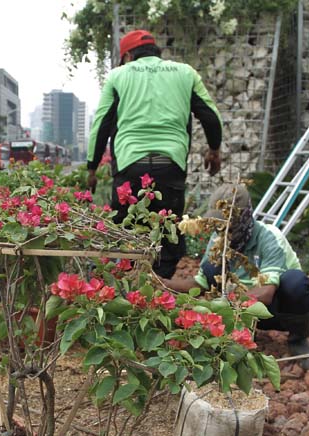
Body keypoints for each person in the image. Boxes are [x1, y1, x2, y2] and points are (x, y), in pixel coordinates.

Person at [85, 29, 223, 279]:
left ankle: (127, 290)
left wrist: (92, 168)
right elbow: (211, 118)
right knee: (168, 236)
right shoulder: (185, 73)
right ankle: (159, 287)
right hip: (169, 167)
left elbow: (101, 126)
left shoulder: (118, 76)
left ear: (127, 56)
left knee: (125, 233)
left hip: (130, 167)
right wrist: (214, 150)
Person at [160, 183, 309, 371]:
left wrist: (224, 305)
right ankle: (241, 335)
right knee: (210, 267)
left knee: (294, 282)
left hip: (278, 310)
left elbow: (267, 292)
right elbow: (201, 282)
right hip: (243, 312)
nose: (222, 231)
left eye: (228, 226)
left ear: (244, 219)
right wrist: (163, 283)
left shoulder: (269, 238)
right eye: (218, 225)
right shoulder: (218, 240)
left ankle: (298, 339)